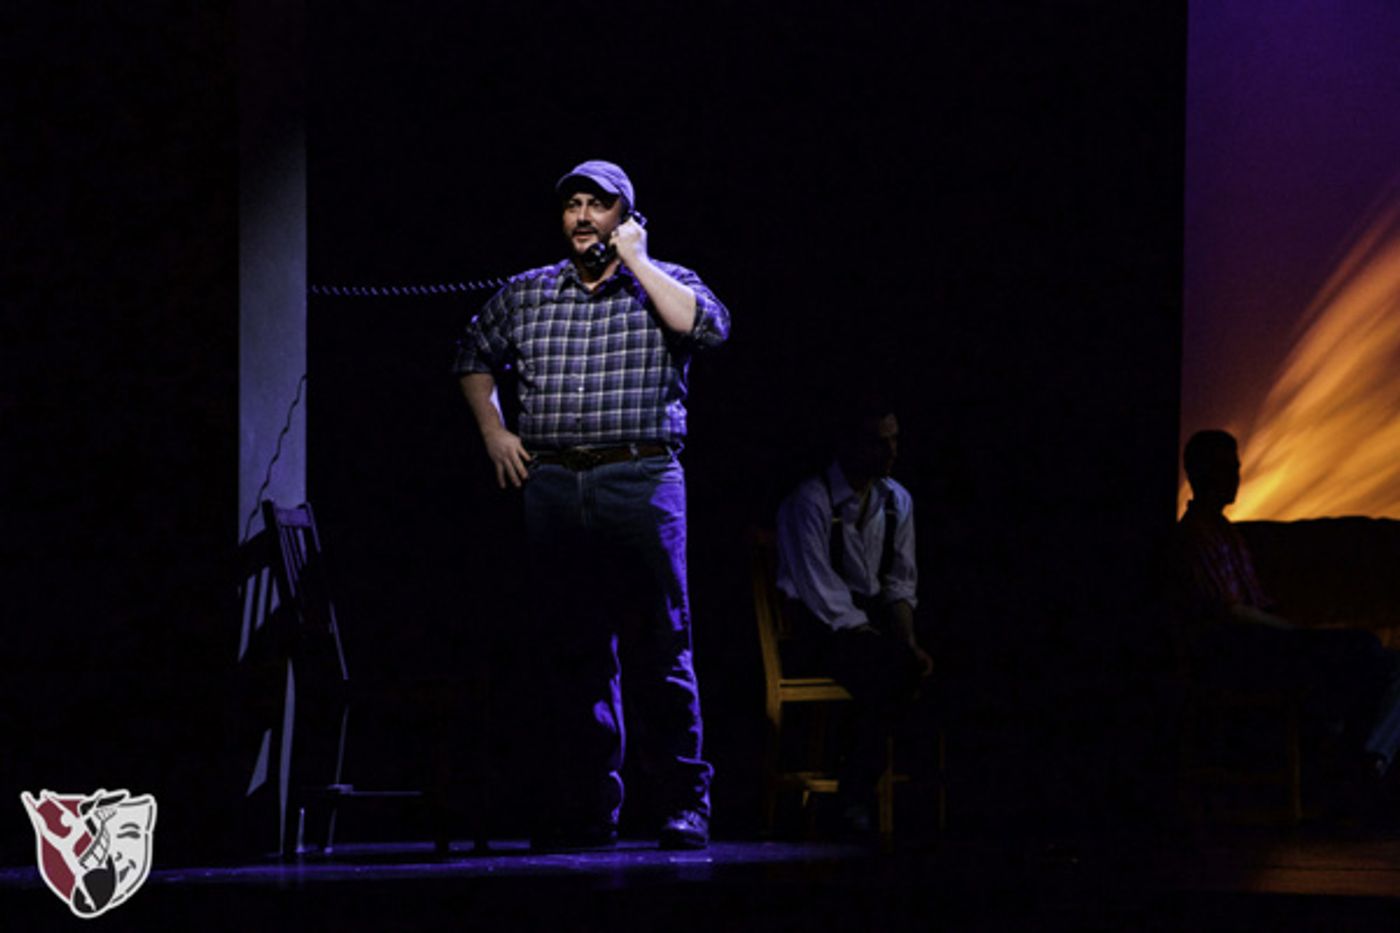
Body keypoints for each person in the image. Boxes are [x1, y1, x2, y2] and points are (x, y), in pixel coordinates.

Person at [454, 160, 729, 850]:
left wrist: (637, 260)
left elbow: (708, 329)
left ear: (625, 217)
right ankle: (589, 808)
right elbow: (471, 354)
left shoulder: (664, 281)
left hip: (641, 478)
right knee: (574, 652)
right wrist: (494, 432)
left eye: (597, 205)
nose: (581, 216)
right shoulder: (529, 292)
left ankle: (684, 804)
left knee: (662, 645)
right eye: (572, 204)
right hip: (553, 484)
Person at [1172, 429, 1400, 794]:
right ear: (1200, 473)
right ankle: (1360, 761)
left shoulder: (1227, 534)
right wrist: (1295, 631)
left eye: (1235, 467)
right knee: (1366, 649)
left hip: (1265, 639)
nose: (1235, 477)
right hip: (1243, 650)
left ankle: (1367, 760)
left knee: (1387, 663)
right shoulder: (1196, 536)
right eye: (1225, 468)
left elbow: (1258, 603)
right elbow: (1232, 612)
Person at [774, 400, 934, 835]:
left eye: (894, 440)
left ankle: (867, 790)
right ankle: (856, 796)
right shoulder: (811, 500)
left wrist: (907, 642)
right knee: (889, 672)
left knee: (911, 668)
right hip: (818, 628)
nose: (891, 452)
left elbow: (900, 584)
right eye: (878, 443)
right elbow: (820, 590)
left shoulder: (896, 500)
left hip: (869, 626)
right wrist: (877, 643)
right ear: (848, 445)